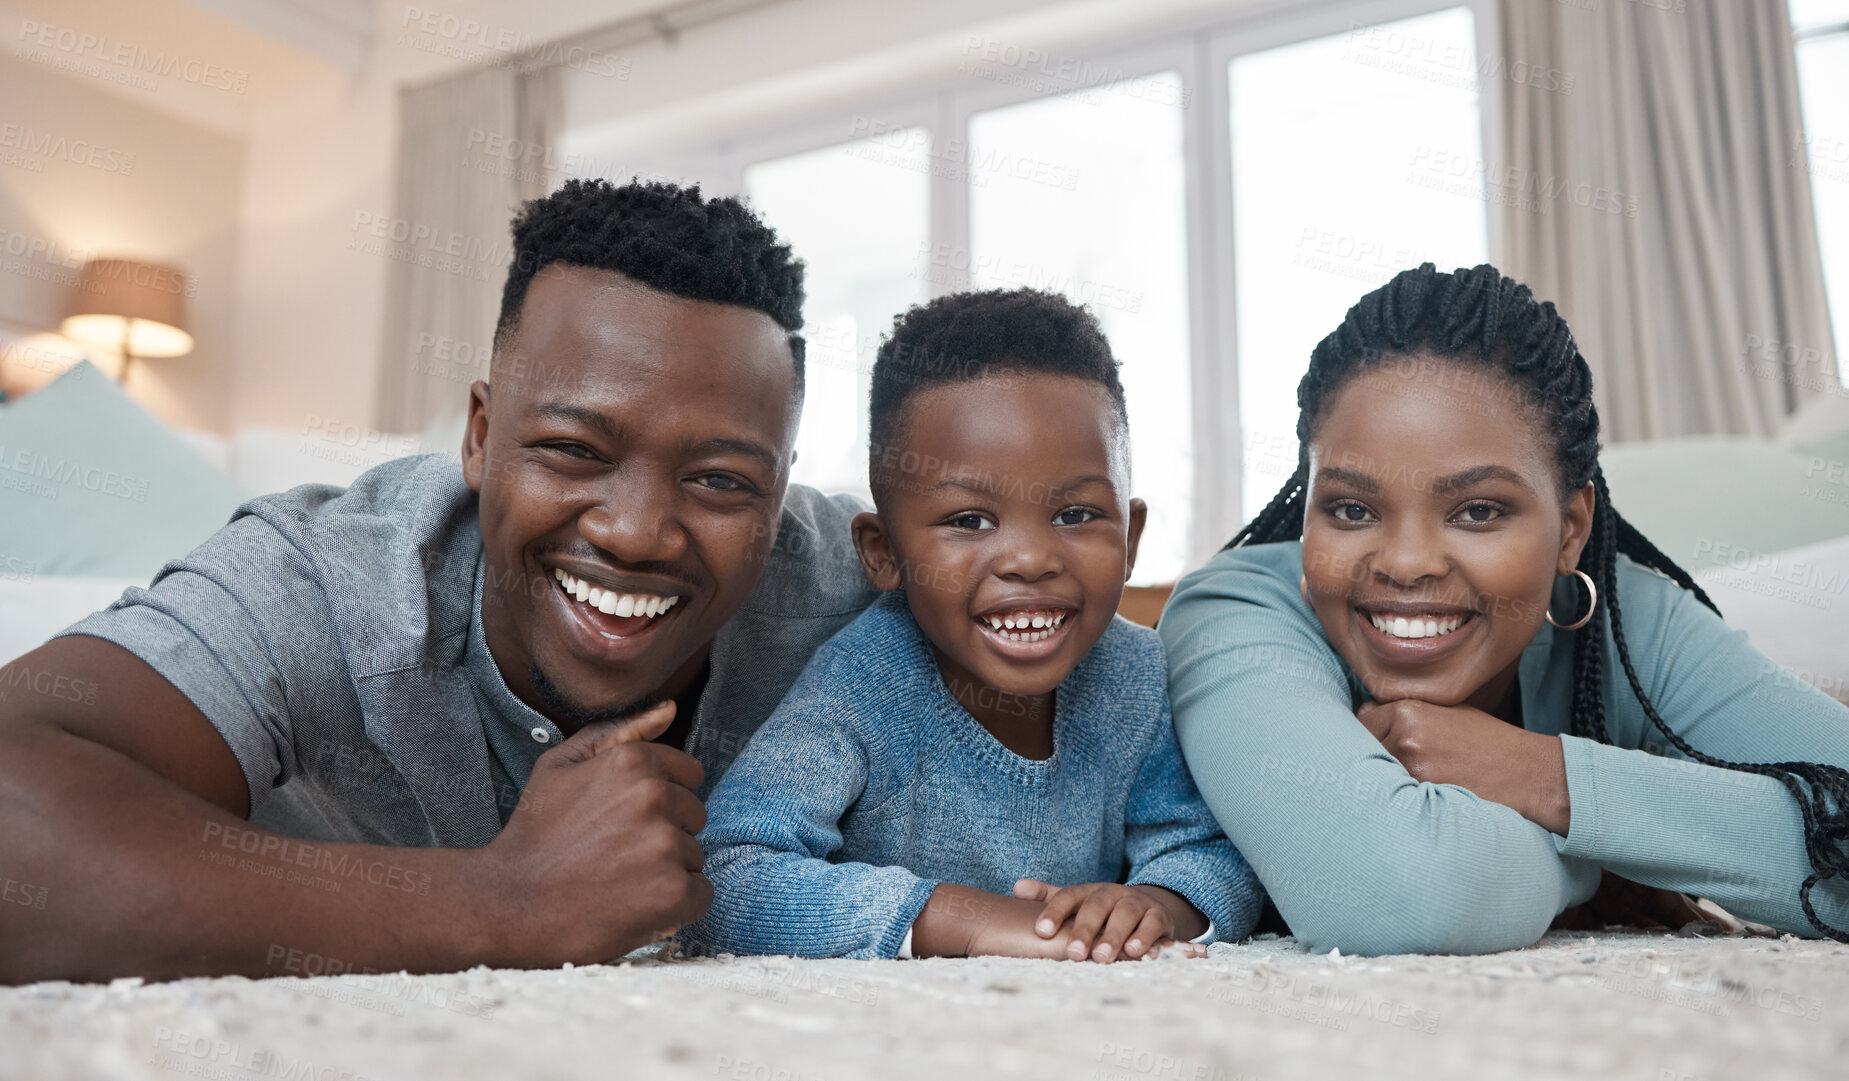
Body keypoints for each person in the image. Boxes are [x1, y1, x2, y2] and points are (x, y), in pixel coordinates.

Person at [0, 179, 880, 983]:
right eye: (574, 450)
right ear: (480, 435)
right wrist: (505, 900)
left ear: (778, 486)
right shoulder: (325, 580)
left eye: (721, 480)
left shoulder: (856, 579)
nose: (635, 532)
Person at [1160, 263, 1849, 955]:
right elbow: (1404, 893)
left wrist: (1541, 774)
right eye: (1350, 508)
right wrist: (1600, 854)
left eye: (1478, 510)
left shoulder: (1633, 623)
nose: (1406, 562)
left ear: (1570, 529)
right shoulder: (1232, 612)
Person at [681, 289, 1262, 962]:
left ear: (1130, 538)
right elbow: (725, 873)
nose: (1028, 559)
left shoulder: (1133, 671)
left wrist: (1156, 902)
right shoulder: (863, 681)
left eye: (1075, 515)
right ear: (882, 552)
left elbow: (1206, 848)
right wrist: (963, 918)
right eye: (968, 521)